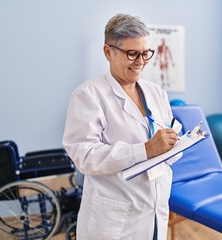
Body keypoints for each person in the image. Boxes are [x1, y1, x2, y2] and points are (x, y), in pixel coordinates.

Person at [62, 13, 182, 240]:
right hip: (113, 220)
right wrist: (144, 150)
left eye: (145, 53)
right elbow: (84, 156)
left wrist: (177, 143)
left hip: (155, 210)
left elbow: (168, 135)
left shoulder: (156, 93)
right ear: (108, 52)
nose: (141, 62)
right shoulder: (88, 95)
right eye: (132, 54)